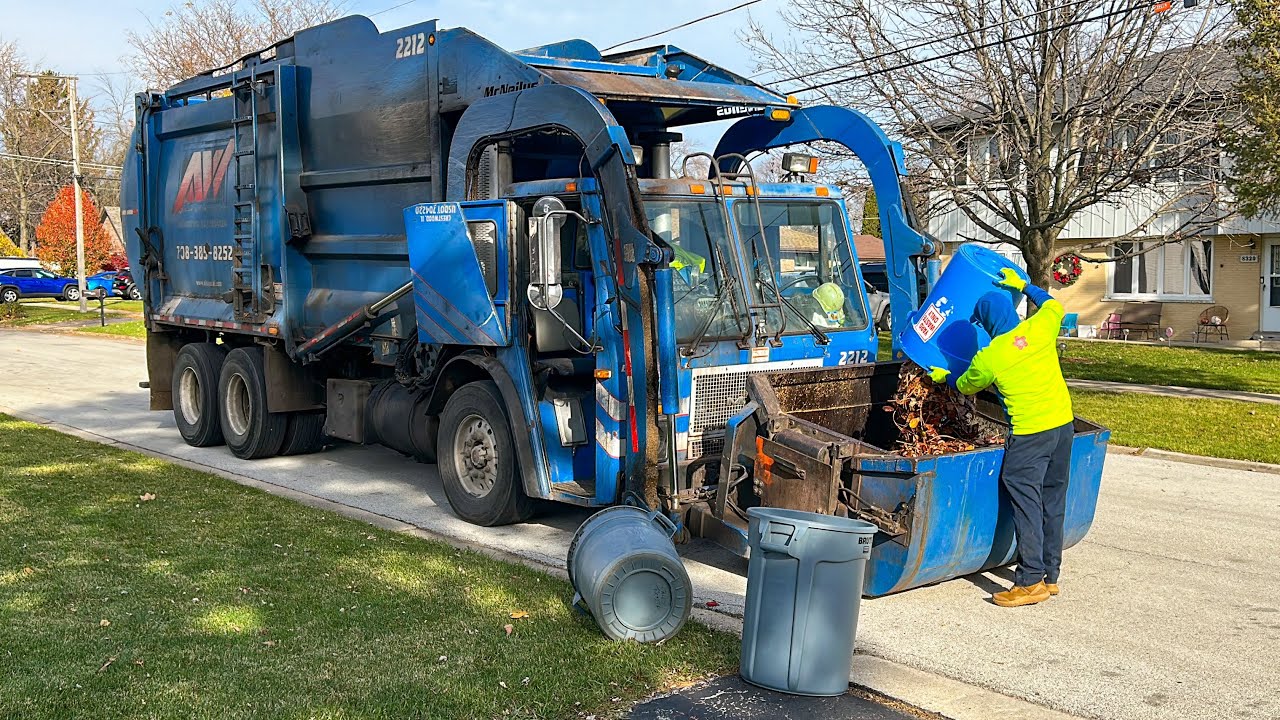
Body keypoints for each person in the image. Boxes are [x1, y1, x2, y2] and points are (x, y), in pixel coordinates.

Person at [927, 268, 1074, 608]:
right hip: (1062, 426)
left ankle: (1029, 581)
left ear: (986, 325)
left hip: (1030, 432)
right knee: (1052, 500)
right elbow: (1053, 305)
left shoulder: (992, 356)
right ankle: (1051, 576)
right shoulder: (1039, 328)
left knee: (1026, 500)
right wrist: (1024, 285)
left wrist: (944, 375)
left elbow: (965, 386)